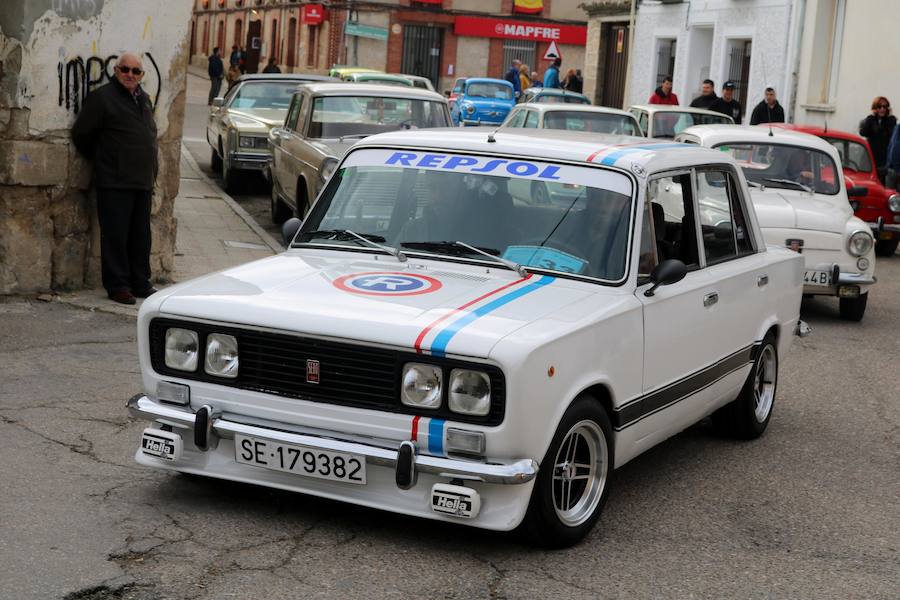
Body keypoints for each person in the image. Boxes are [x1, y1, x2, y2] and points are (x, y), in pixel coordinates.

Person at [71, 53, 158, 305]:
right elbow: (81, 135)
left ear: (141, 75)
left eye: (136, 71)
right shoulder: (102, 99)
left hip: (142, 181)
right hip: (114, 181)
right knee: (116, 236)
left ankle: (141, 282)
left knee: (141, 236)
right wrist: (106, 160)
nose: (130, 74)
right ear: (116, 70)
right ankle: (118, 285)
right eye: (125, 69)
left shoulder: (144, 99)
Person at [859, 96, 896, 179]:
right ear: (875, 108)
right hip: (870, 156)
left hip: (884, 158)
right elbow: (863, 132)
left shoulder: (890, 120)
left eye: (885, 107)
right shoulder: (871, 119)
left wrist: (888, 118)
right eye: (879, 107)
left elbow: (891, 134)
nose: (882, 109)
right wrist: (871, 119)